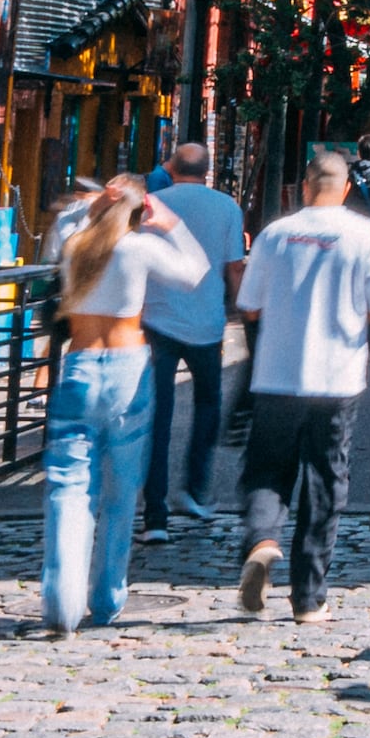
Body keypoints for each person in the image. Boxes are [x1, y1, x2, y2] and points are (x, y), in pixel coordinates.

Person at [231, 148, 370, 621]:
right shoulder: (368, 235)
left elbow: (249, 305)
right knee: (326, 481)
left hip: (277, 374)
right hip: (338, 376)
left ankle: (262, 540)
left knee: (267, 469)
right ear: (346, 189)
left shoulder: (275, 234)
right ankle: (309, 597)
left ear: (304, 187)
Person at [38, 174, 208, 635]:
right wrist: (171, 224)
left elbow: (58, 237)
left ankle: (61, 597)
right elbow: (195, 271)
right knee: (120, 493)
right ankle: (108, 595)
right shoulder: (139, 248)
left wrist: (88, 207)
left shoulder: (75, 245)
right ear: (139, 215)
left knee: (69, 489)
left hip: (79, 365)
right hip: (129, 369)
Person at [136, 140, 245, 529]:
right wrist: (242, 312)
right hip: (207, 322)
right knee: (207, 407)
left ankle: (155, 515)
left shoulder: (153, 204)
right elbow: (234, 266)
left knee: (158, 417)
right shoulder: (226, 207)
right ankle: (196, 489)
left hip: (157, 321)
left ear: (172, 166)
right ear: (208, 171)